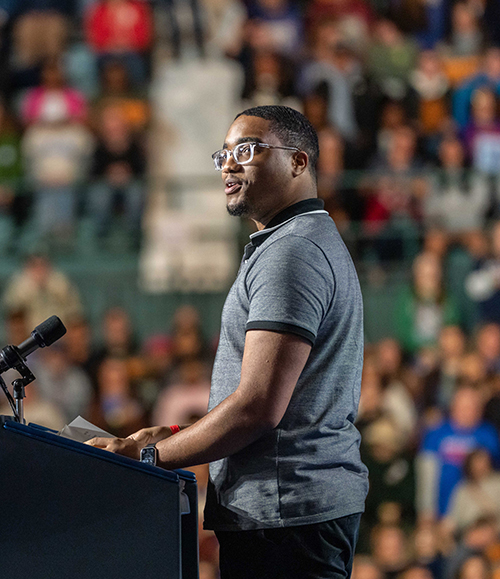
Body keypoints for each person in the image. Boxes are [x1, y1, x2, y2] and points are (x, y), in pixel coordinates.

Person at [88, 105, 368, 578]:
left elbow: (258, 406)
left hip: (285, 519)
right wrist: (170, 434)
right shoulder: (294, 242)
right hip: (285, 514)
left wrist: (147, 455)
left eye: (247, 150)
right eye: (224, 155)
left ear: (299, 162)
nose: (230, 165)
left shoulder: (292, 252)